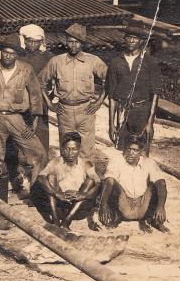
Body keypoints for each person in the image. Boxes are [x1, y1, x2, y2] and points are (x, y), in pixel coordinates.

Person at [0, 33, 48, 215]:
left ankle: (35, 193)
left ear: (17, 54)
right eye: (5, 52)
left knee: (38, 153)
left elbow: (35, 96)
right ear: (0, 52)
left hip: (16, 117)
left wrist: (33, 122)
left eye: (12, 53)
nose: (8, 56)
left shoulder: (26, 70)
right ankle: (0, 202)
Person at [40, 23, 108, 161]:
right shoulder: (56, 61)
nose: (73, 45)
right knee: (67, 150)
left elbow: (111, 80)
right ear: (66, 42)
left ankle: (86, 180)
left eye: (77, 42)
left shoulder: (93, 61)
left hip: (86, 110)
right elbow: (39, 82)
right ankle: (68, 180)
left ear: (82, 43)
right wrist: (50, 104)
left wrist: (99, 102)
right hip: (65, 111)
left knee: (87, 150)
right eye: (70, 41)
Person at [106, 21, 162, 154]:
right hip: (123, 113)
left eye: (135, 38)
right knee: (122, 152)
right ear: (124, 40)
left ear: (141, 41)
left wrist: (150, 123)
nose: (131, 41)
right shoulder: (115, 62)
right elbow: (112, 96)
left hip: (142, 112)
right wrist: (111, 124)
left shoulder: (150, 62)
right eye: (128, 37)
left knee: (141, 153)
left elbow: (155, 93)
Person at [31, 132, 101, 230]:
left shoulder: (86, 164)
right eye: (67, 149)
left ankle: (66, 222)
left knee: (91, 181)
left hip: (77, 207)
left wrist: (84, 195)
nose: (70, 153)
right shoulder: (55, 162)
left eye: (74, 149)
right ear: (62, 149)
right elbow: (41, 177)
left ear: (79, 149)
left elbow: (98, 183)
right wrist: (56, 193)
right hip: (58, 205)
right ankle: (55, 222)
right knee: (50, 177)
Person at [99, 137, 169, 233]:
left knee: (157, 183)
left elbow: (161, 183)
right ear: (124, 149)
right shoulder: (116, 160)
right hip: (124, 202)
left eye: (135, 150)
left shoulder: (149, 162)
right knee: (110, 180)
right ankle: (115, 217)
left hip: (142, 202)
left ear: (141, 152)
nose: (131, 153)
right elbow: (109, 182)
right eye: (128, 149)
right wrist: (103, 205)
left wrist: (161, 206)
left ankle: (155, 221)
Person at [19, 24, 53, 153]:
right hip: (21, 99)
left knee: (40, 129)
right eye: (30, 41)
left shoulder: (49, 57)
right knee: (22, 128)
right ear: (25, 41)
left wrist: (51, 97)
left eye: (36, 41)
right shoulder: (18, 56)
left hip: (41, 100)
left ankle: (42, 159)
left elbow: (55, 78)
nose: (32, 44)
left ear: (41, 42)